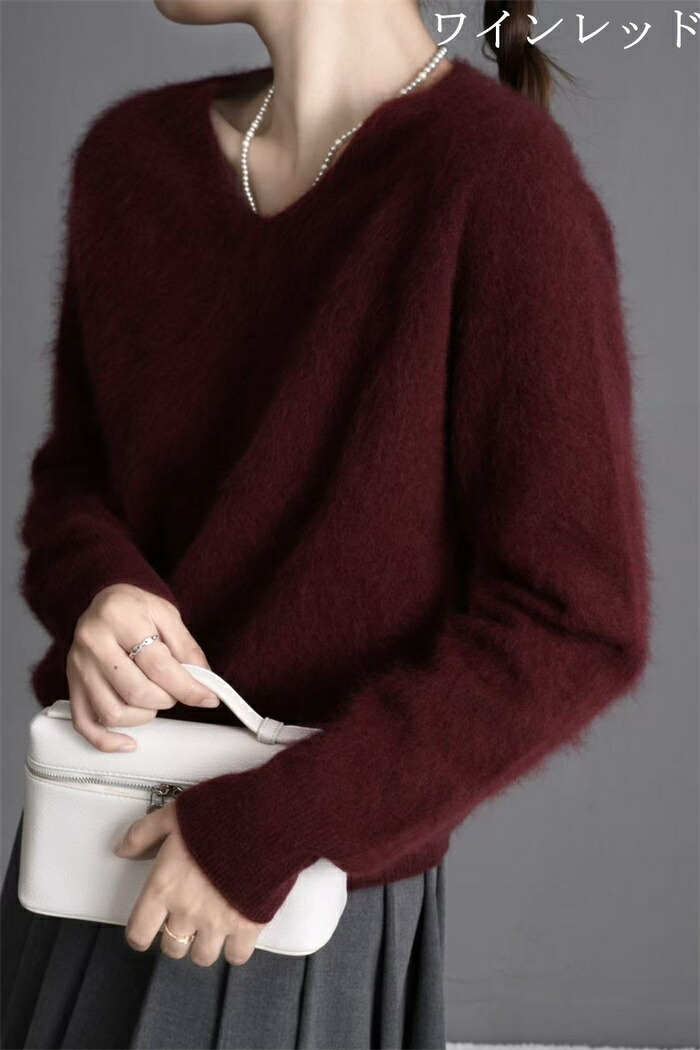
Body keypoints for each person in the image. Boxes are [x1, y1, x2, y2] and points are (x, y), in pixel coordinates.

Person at [1, 0, 652, 1047]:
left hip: (288, 905)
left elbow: (574, 622)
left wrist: (269, 831)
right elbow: (73, 486)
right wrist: (101, 589)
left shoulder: (500, 182)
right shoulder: (131, 160)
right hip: (86, 852)